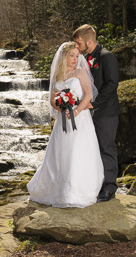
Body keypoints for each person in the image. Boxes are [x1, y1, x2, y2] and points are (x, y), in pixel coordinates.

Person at [27, 42, 104, 208]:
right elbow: (52, 99)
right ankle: (56, 188)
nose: (75, 59)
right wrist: (61, 107)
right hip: (63, 121)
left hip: (80, 120)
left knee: (77, 151)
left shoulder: (81, 72)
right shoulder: (57, 74)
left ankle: (77, 189)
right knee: (60, 152)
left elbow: (88, 95)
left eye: (77, 56)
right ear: (64, 56)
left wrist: (75, 112)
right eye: (72, 55)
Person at [73, 24, 120, 202]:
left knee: (107, 148)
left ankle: (109, 187)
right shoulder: (85, 58)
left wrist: (93, 103)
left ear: (89, 41)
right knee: (92, 149)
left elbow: (112, 84)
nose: (76, 46)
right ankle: (95, 184)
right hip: (88, 114)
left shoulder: (107, 57)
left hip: (106, 112)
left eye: (78, 43)